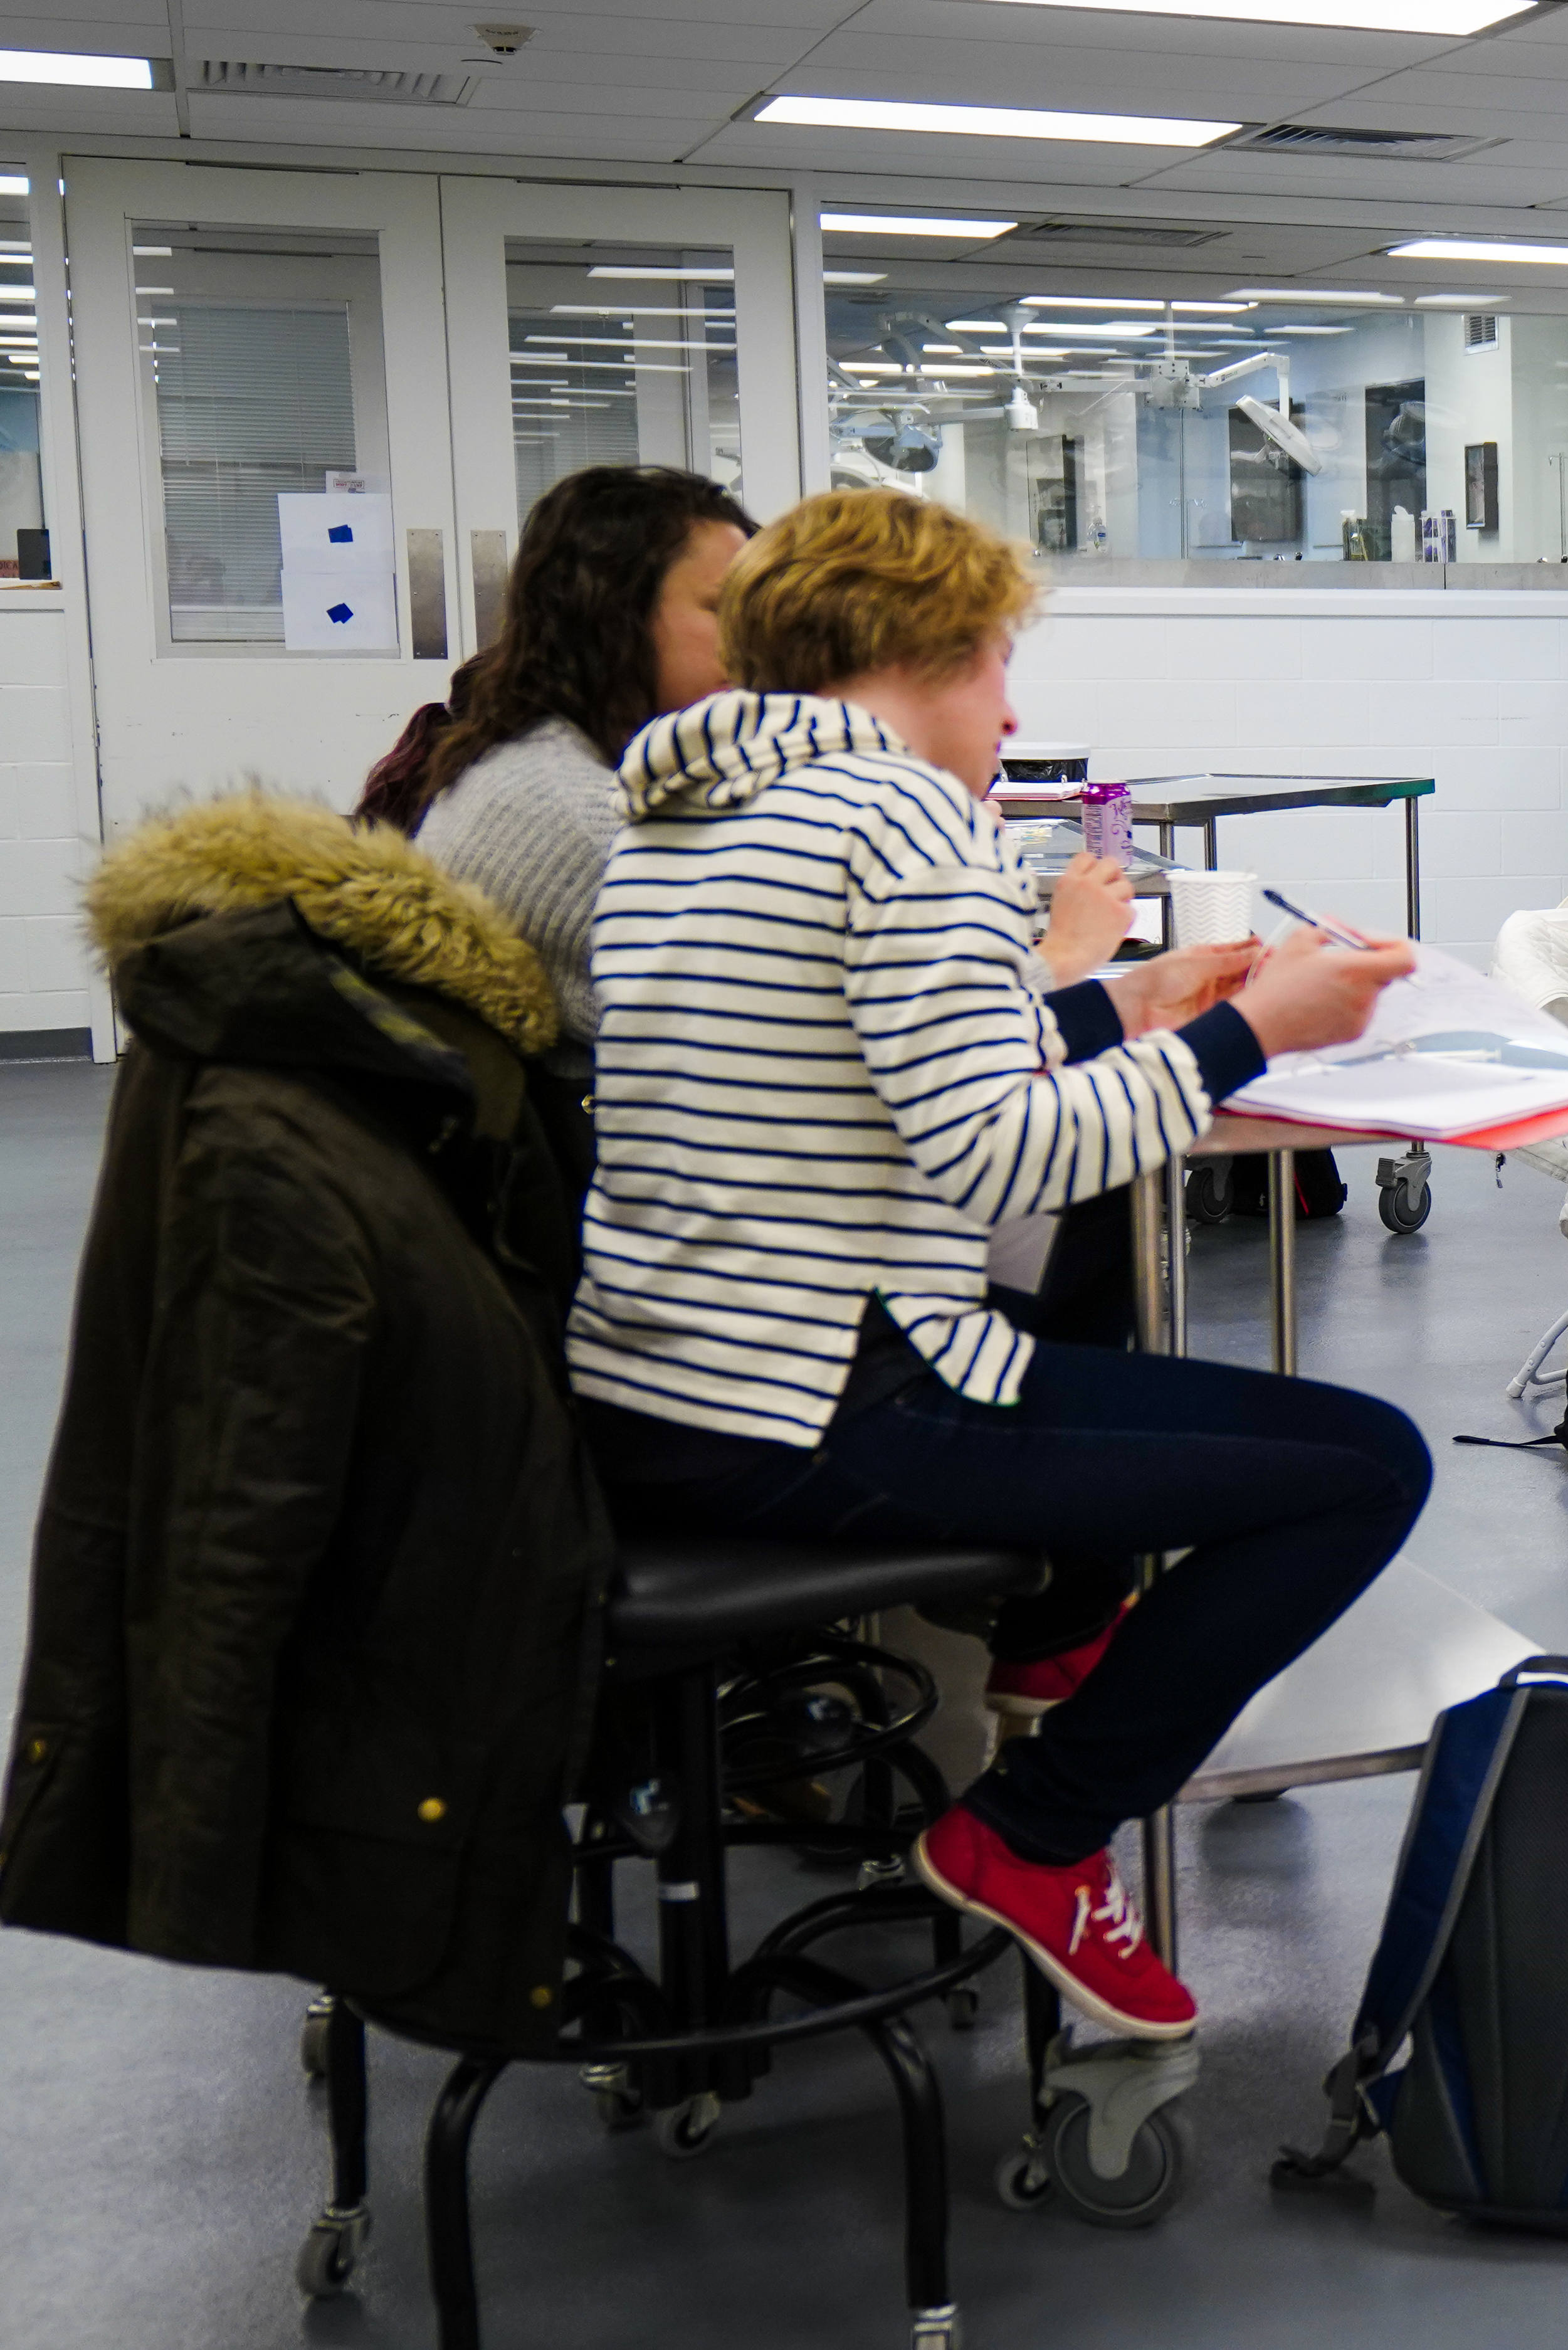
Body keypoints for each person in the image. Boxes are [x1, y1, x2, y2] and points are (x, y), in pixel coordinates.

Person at [568, 490, 1424, 2043]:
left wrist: (1142, 996)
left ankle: (1061, 1666)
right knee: (1360, 1467)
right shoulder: (906, 818)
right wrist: (1255, 1030)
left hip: (663, 1396)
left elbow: (875, 1066)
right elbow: (1006, 1156)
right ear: (929, 650)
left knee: (1196, 1425)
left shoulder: (683, 824)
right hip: (835, 1401)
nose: (1013, 710)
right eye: (997, 664)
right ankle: (1036, 1826)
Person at [350, 465, 757, 1051]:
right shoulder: (570, 812)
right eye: (721, 607)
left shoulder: (546, 753)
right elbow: (764, 1036)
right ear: (612, 614)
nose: (751, 639)